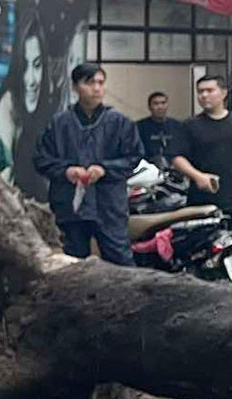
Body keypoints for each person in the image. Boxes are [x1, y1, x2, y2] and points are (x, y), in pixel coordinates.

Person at [31, 63, 141, 264]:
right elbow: (41, 158)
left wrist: (105, 169)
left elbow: (134, 156)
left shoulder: (120, 122)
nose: (96, 88)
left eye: (101, 82)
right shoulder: (59, 123)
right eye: (89, 83)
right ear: (75, 86)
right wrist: (65, 171)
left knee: (120, 260)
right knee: (73, 264)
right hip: (69, 205)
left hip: (108, 205)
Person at [170, 74, 232, 236]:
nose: (204, 95)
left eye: (210, 90)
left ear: (223, 93)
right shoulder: (190, 125)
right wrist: (198, 176)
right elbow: (177, 158)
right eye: (200, 91)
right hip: (200, 204)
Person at [136, 91, 177, 168]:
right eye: (156, 104)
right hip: (148, 168)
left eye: (163, 103)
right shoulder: (139, 127)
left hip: (174, 167)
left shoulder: (177, 126)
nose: (160, 107)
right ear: (149, 107)